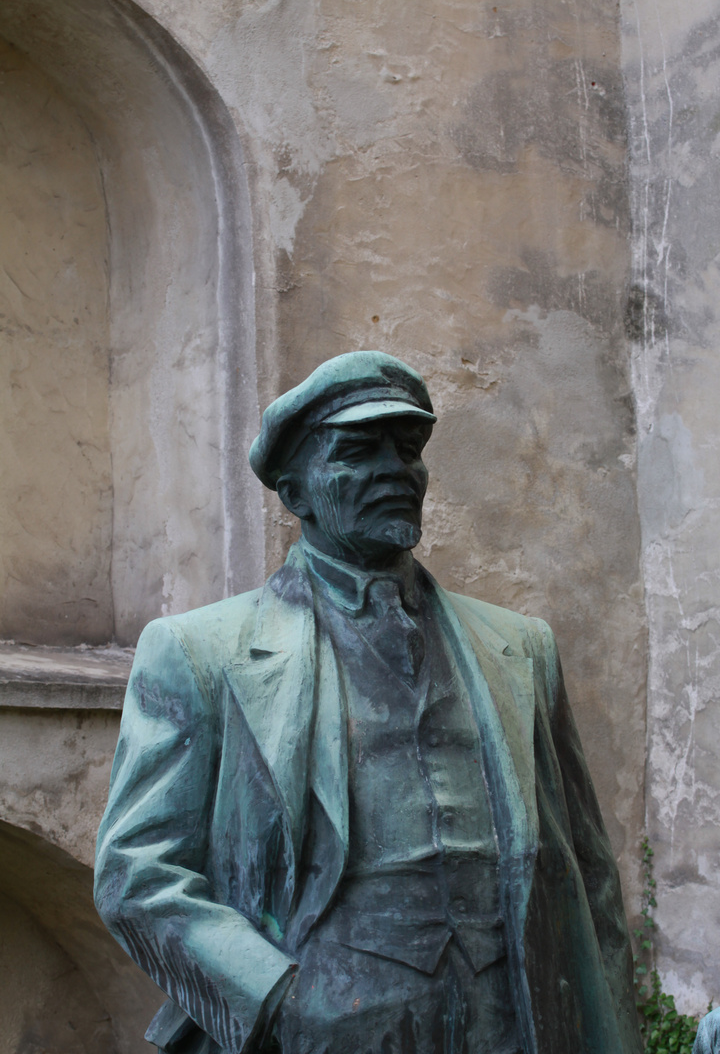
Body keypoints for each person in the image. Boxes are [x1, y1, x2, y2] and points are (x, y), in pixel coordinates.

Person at [94, 351, 643, 1054]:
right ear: (296, 493)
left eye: (407, 449)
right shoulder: (201, 654)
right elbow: (136, 873)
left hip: (508, 1017)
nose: (395, 469)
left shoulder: (521, 649)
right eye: (359, 451)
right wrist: (278, 999)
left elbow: (588, 875)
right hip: (318, 1028)